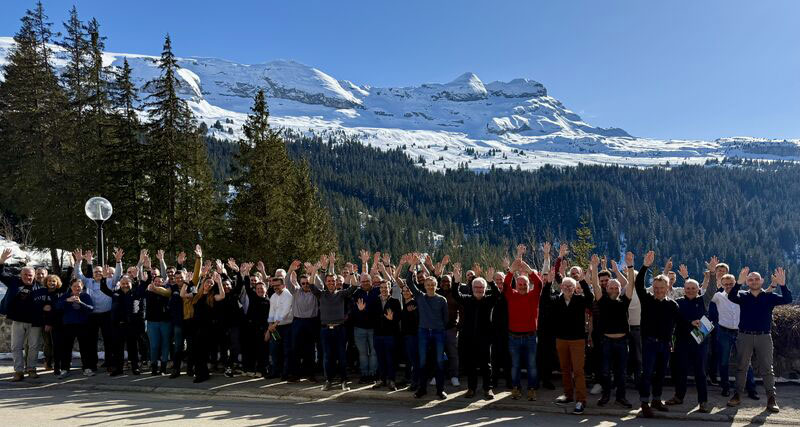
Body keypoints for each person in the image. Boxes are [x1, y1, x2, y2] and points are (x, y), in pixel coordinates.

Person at [726, 266, 792, 412]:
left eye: (757, 279)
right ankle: (737, 395)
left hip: (764, 336)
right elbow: (731, 297)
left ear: (762, 281)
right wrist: (738, 283)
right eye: (750, 279)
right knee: (742, 367)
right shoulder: (742, 295)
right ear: (747, 282)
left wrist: (783, 284)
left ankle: (771, 399)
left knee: (768, 369)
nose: (754, 281)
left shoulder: (769, 297)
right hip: (744, 336)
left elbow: (788, 299)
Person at [543, 252, 593, 415]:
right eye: (564, 286)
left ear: (574, 288)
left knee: (578, 370)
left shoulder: (580, 300)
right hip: (561, 340)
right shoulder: (557, 300)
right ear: (561, 287)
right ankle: (568, 395)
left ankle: (581, 400)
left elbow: (591, 298)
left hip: (577, 340)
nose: (567, 288)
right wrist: (548, 284)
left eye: (570, 286)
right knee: (565, 369)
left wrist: (583, 280)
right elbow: (544, 301)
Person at [635, 251, 683, 418]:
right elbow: (638, 285)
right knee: (647, 373)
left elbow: (680, 325)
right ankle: (644, 403)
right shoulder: (647, 299)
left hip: (665, 344)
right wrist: (645, 266)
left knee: (661, 374)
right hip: (649, 343)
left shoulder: (673, 305)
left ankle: (656, 399)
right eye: (655, 288)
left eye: (661, 288)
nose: (658, 291)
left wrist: (697, 326)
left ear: (667, 288)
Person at [665, 264, 715, 414]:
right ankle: (679, 397)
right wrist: (690, 323)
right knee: (681, 371)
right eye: (688, 288)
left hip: (700, 342)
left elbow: (712, 289)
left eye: (693, 288)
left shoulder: (704, 300)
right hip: (682, 341)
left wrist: (712, 273)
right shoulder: (678, 302)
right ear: (684, 289)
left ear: (698, 289)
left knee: (700, 373)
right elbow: (676, 320)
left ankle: (703, 402)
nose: (691, 291)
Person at [502, 244, 546, 402]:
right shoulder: (511, 294)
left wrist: (529, 270)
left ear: (529, 286)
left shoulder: (534, 295)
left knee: (532, 365)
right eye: (520, 284)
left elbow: (539, 283)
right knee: (515, 365)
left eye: (525, 284)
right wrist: (512, 270)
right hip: (513, 336)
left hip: (530, 336)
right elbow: (506, 285)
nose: (521, 286)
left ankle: (532, 389)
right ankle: (515, 388)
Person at [588, 255, 632, 408]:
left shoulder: (625, 300)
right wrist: (594, 268)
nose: (613, 289)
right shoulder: (602, 300)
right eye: (611, 287)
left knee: (621, 373)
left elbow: (631, 284)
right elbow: (594, 283)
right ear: (606, 289)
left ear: (620, 289)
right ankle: (606, 396)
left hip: (621, 342)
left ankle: (621, 397)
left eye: (616, 288)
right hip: (606, 341)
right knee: (605, 372)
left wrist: (631, 267)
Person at [0, 248, 50, 381]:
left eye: (30, 275)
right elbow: (1, 273)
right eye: (25, 275)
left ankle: (32, 369)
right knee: (16, 347)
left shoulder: (40, 287)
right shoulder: (14, 282)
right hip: (18, 320)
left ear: (34, 276)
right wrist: (2, 261)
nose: (28, 277)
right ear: (21, 275)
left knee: (33, 346)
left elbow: (51, 298)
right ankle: (18, 371)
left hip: (35, 322)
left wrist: (47, 306)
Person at [405, 254, 449, 400]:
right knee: (422, 361)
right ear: (424, 286)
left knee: (439, 362)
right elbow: (409, 282)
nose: (430, 286)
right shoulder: (419, 296)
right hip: (423, 332)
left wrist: (440, 329)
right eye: (428, 284)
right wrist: (412, 265)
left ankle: (440, 390)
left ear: (436, 286)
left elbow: (446, 318)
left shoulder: (442, 300)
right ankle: (422, 389)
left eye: (433, 285)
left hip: (438, 333)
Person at [73, 247, 123, 374]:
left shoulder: (110, 281)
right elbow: (78, 274)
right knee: (91, 341)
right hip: (92, 315)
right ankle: (92, 364)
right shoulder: (88, 282)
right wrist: (79, 261)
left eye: (100, 272)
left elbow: (118, 274)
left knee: (109, 340)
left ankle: (110, 363)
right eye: (95, 272)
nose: (97, 274)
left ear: (103, 273)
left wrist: (118, 261)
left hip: (107, 315)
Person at [452, 268, 500, 399]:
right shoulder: (467, 299)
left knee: (486, 366)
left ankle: (488, 389)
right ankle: (471, 389)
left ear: (485, 289)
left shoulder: (489, 300)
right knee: (471, 365)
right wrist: (456, 281)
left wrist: (491, 282)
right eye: (476, 287)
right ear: (472, 288)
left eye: (481, 287)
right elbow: (455, 295)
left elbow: (498, 294)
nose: (479, 289)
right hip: (469, 338)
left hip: (485, 338)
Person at [314, 253, 359, 391]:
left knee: (342, 356)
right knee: (327, 357)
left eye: (333, 281)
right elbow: (310, 284)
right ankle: (328, 381)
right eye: (328, 281)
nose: (331, 283)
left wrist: (351, 273)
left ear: (336, 282)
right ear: (326, 283)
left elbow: (354, 286)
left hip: (340, 329)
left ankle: (344, 381)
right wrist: (316, 270)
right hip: (325, 330)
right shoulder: (321, 294)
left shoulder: (341, 293)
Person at [100, 274, 145, 376]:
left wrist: (138, 277)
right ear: (120, 284)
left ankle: (135, 367)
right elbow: (103, 289)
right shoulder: (115, 294)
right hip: (118, 326)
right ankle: (118, 369)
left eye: (127, 283)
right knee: (118, 349)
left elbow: (142, 288)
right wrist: (103, 278)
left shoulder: (136, 293)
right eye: (123, 283)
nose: (125, 285)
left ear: (131, 283)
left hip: (132, 325)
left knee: (133, 348)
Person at [191, 273, 226, 383]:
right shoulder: (197, 295)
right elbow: (183, 294)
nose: (209, 284)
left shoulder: (213, 296)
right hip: (196, 327)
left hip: (207, 328)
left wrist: (219, 282)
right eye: (207, 282)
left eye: (211, 283)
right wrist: (189, 281)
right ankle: (199, 373)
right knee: (196, 351)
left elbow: (222, 295)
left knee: (202, 352)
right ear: (203, 283)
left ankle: (202, 374)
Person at [56, 279, 95, 378]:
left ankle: (87, 368)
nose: (77, 288)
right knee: (66, 348)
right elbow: (57, 307)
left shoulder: (85, 296)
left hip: (83, 325)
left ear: (82, 287)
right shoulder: (65, 296)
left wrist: (81, 303)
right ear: (71, 287)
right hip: (68, 325)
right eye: (74, 286)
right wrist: (67, 301)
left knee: (85, 348)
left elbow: (91, 309)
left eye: (79, 286)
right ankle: (64, 369)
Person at [351, 250, 380, 384]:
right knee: (362, 353)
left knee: (373, 352)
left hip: (374, 328)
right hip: (360, 328)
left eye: (367, 281)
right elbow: (353, 310)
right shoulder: (356, 293)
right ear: (360, 282)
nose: (365, 283)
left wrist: (366, 263)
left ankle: (373, 374)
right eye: (362, 281)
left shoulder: (377, 291)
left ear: (371, 281)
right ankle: (365, 374)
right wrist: (360, 311)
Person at [373, 278, 402, 390]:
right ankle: (381, 379)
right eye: (382, 287)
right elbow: (372, 316)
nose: (384, 289)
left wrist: (392, 318)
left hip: (390, 335)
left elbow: (399, 317)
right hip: (378, 335)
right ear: (379, 289)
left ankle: (391, 380)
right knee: (380, 359)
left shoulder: (395, 302)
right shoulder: (375, 301)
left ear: (390, 289)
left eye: (386, 287)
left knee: (391, 359)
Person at [268, 270, 294, 380]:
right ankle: (275, 372)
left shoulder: (288, 295)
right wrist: (270, 325)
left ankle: (286, 373)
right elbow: (271, 312)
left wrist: (274, 324)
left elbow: (285, 311)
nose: (275, 288)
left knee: (286, 351)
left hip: (287, 327)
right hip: (276, 327)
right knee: (275, 351)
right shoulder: (273, 296)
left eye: (278, 285)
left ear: (283, 284)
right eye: (274, 286)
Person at [42, 274, 69, 376]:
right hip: (54, 324)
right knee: (56, 346)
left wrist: (72, 264)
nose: (51, 283)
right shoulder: (45, 294)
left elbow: (67, 279)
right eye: (49, 281)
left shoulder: (62, 292)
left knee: (65, 346)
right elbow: (46, 311)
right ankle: (56, 366)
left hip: (65, 322)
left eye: (54, 281)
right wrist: (48, 323)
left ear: (57, 282)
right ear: (46, 282)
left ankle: (65, 366)